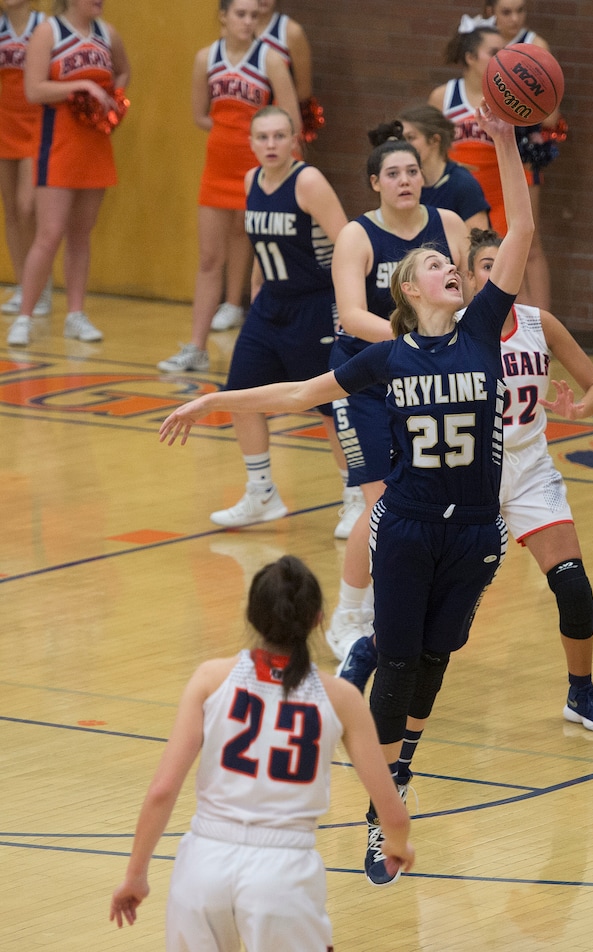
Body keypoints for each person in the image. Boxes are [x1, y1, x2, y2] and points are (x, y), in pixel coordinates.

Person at [158, 101, 534, 886]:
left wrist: (504, 146)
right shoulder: (388, 357)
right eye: (434, 263)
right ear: (409, 288)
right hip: (406, 527)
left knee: (436, 661)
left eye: (452, 260)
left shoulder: (479, 328)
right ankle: (384, 796)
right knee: (398, 664)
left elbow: (520, 235)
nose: (449, 263)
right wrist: (211, 401)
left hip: (474, 534)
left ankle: (399, 764)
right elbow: (294, 394)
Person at [340, 227, 593, 734]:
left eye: (500, 264)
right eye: (484, 267)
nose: (494, 275)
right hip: (466, 477)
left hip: (530, 470)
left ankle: (581, 692)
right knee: (421, 607)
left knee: (573, 586)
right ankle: (370, 653)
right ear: (470, 278)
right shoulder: (459, 328)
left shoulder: (539, 324)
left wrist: (578, 407)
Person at [109, 555, 413, 948]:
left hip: (203, 866)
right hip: (283, 875)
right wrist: (397, 844)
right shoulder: (341, 697)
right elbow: (391, 810)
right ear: (318, 619)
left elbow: (162, 790)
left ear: (252, 617)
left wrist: (135, 874)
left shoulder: (210, 678)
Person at [324, 128, 472, 661]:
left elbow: (470, 291)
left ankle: (403, 611)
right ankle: (349, 615)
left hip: (424, 378)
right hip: (364, 377)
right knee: (382, 503)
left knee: (420, 498)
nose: (405, 180)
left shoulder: (449, 224)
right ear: (375, 184)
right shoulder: (357, 236)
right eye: (393, 174)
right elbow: (351, 315)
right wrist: (417, 337)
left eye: (412, 171)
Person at [202, 105, 353, 537]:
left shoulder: (308, 181)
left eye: (278, 136)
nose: (270, 144)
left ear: (294, 141)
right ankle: (262, 492)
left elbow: (349, 243)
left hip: (315, 304)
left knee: (329, 405)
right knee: (240, 395)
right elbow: (259, 241)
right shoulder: (251, 180)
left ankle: (355, 496)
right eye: (262, 137)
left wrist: (347, 305)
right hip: (270, 304)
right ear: (251, 143)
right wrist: (255, 284)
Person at [157, 0, 300, 373]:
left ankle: (271, 350)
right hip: (217, 170)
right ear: (223, 16)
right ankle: (196, 347)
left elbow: (292, 121)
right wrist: (232, 135)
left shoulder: (269, 60)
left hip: (260, 174)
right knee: (208, 259)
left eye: (254, 15)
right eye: (241, 14)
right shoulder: (206, 57)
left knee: (266, 260)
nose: (248, 21)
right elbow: (200, 115)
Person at [6, 0, 129, 347]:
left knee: (80, 234)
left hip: (95, 145)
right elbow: (34, 89)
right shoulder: (49, 32)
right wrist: (81, 88)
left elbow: (123, 71)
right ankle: (25, 317)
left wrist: (111, 99)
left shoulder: (108, 33)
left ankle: (76, 315)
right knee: (50, 234)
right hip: (56, 145)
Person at [212, 0, 315, 332]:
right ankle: (234, 303)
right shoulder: (217, 50)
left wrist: (277, 134)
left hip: (278, 142)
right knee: (243, 226)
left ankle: (285, 303)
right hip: (245, 147)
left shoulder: (289, 32)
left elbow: (301, 93)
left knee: (277, 228)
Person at [483, 0, 563, 310]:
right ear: (490, 11)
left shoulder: (534, 45)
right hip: (483, 157)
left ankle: (541, 328)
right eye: (506, 11)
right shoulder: (480, 42)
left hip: (523, 153)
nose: (515, 18)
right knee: (488, 244)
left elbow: (552, 117)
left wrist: (518, 105)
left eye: (520, 10)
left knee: (529, 243)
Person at [428, 16, 506, 235]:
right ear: (470, 57)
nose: (501, 59)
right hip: (456, 195)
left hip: (500, 195)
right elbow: (428, 149)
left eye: (504, 52)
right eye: (493, 53)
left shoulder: (509, 98)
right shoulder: (443, 96)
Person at [0, 0, 52, 321]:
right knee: (11, 212)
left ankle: (40, 287)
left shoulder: (44, 26)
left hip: (37, 127)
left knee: (27, 206)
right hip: (4, 125)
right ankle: (24, 286)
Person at [395, 105, 490, 230]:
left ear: (435, 140)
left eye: (410, 138)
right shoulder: (402, 183)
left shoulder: (463, 184)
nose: (403, 144)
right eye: (401, 139)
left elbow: (480, 245)